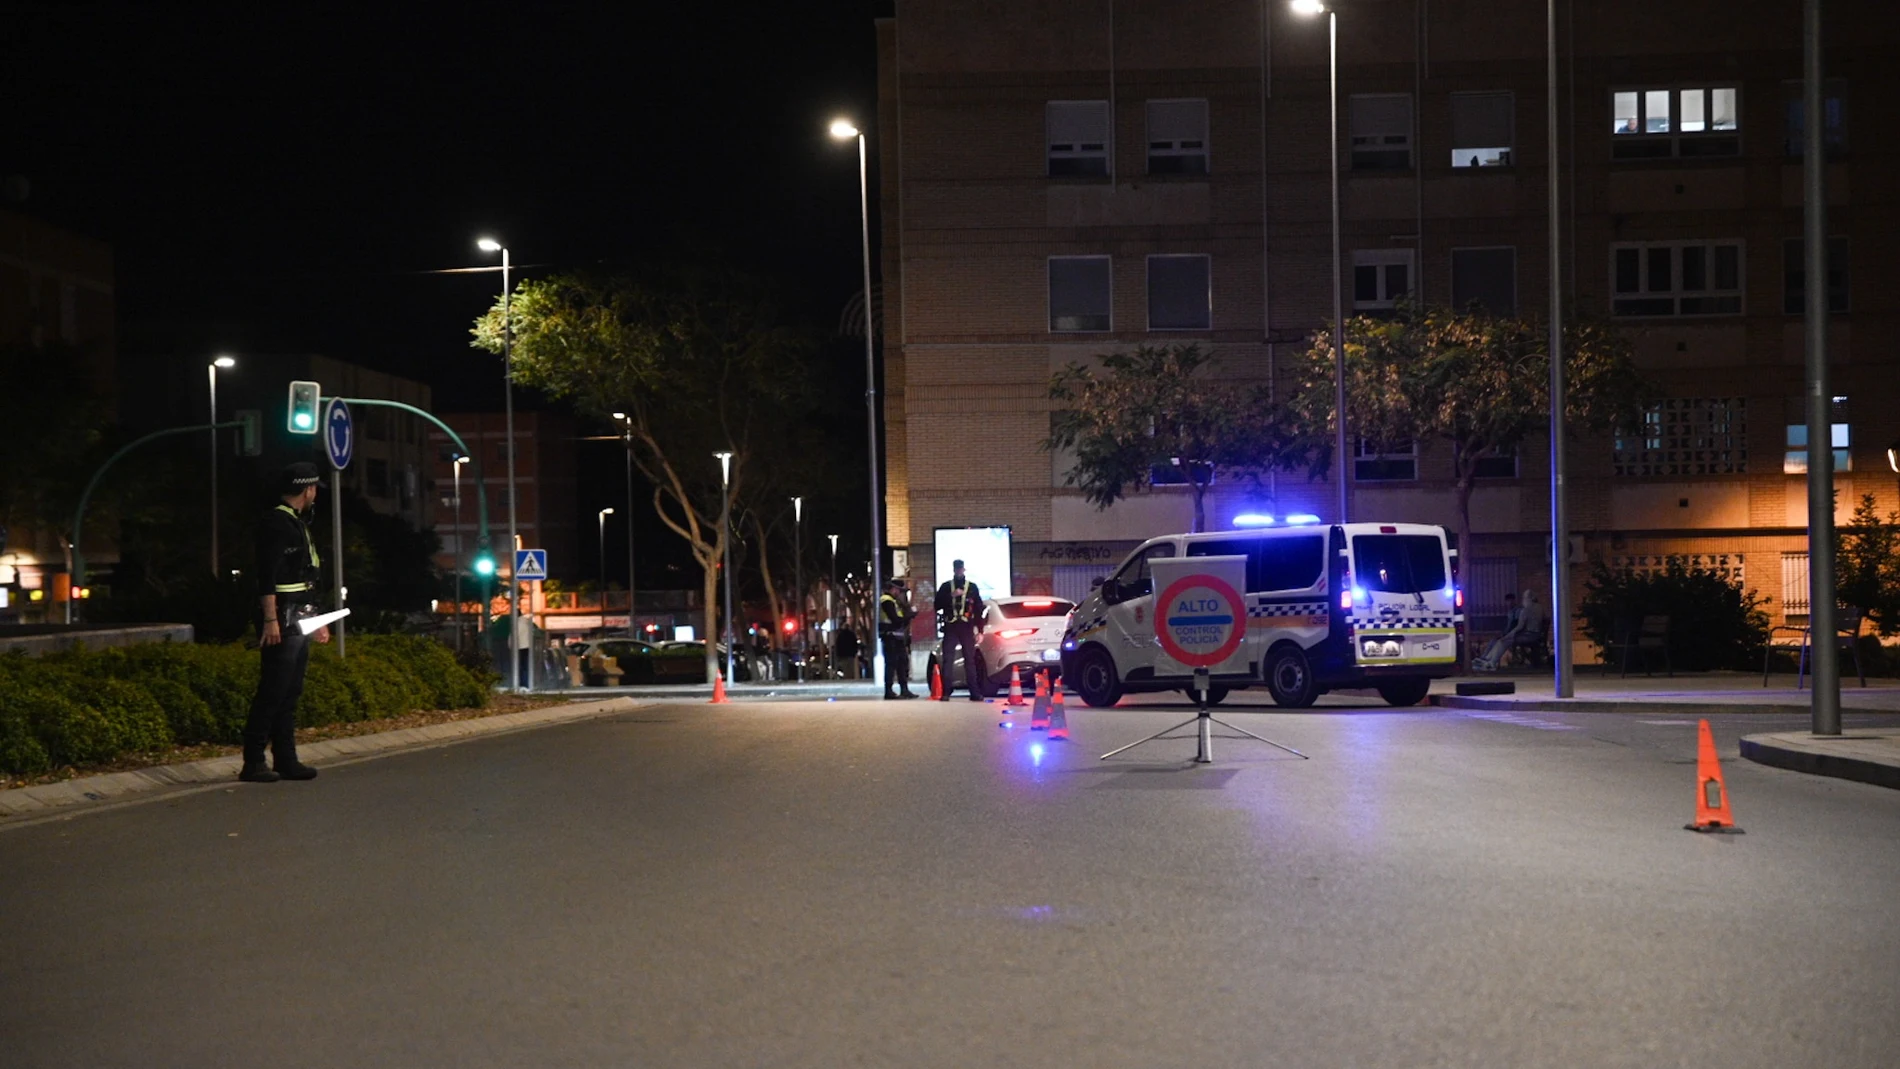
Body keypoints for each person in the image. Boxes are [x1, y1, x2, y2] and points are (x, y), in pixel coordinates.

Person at [241, 462, 330, 783]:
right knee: (273, 689)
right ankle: (253, 761)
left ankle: (286, 759)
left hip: (300, 615)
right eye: (314, 488)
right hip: (282, 615)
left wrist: (318, 620)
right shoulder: (276, 523)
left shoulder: (294, 523)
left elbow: (306, 579)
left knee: (291, 690)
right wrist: (270, 620)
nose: (315, 494)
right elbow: (267, 576)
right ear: (307, 489)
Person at [934, 559, 985, 701]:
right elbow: (936, 605)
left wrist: (980, 630)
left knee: (970, 660)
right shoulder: (946, 587)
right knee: (948, 660)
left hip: (966, 626)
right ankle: (946, 692)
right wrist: (951, 596)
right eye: (956, 569)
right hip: (951, 626)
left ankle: (974, 692)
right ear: (954, 570)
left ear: (964, 569)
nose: (959, 571)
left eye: (960, 569)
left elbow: (978, 609)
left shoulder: (972, 587)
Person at [879, 577, 918, 699]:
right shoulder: (886, 600)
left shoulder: (894, 601)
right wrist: (909, 616)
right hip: (890, 637)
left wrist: (908, 616)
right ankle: (889, 691)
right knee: (891, 664)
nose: (900, 593)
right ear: (894, 589)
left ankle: (904, 689)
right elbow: (895, 620)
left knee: (902, 663)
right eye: (900, 591)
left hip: (897, 638)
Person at [1472, 593, 1519, 672]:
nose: (1509, 603)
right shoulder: (1510, 612)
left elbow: (1514, 625)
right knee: (1493, 640)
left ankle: (1489, 661)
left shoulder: (1517, 611)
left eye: (1510, 601)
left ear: (1514, 601)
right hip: (1507, 633)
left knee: (1499, 642)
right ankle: (1483, 658)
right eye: (1507, 601)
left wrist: (1505, 634)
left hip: (1512, 634)